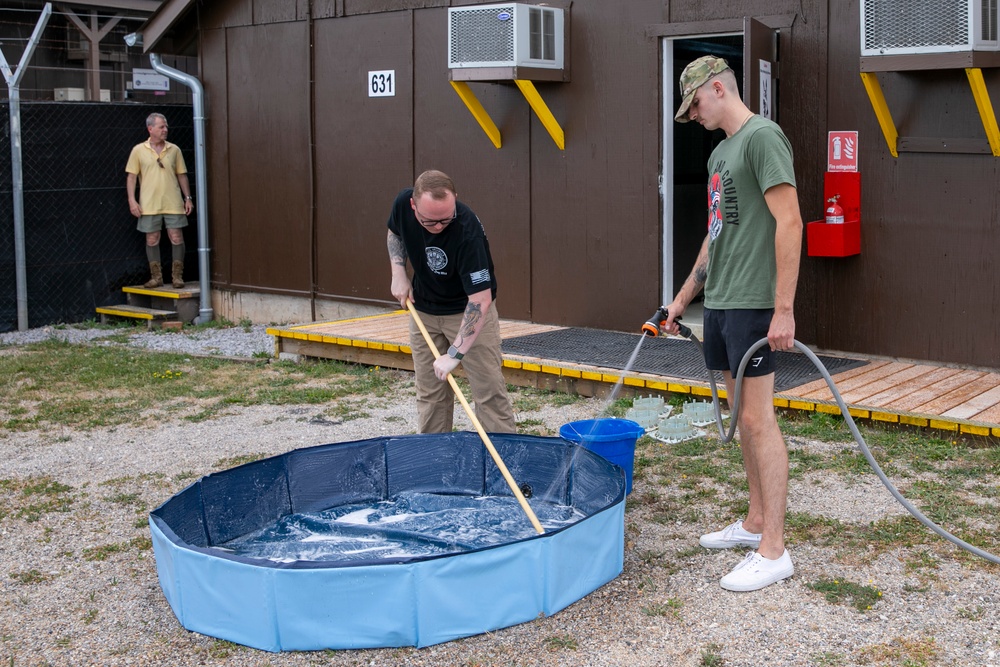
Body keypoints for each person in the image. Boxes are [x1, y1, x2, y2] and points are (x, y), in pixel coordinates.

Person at [663, 55, 803, 592]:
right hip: (719, 302)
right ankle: (755, 523)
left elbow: (790, 222)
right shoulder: (720, 153)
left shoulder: (763, 138)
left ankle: (775, 552)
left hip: (753, 304)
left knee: (758, 419)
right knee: (742, 418)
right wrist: (682, 300)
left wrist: (783, 307)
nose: (692, 115)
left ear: (717, 88)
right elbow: (715, 233)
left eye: (694, 104)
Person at [386, 169, 516, 434]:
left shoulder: (468, 232)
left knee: (488, 392)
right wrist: (398, 272)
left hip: (468, 313)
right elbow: (394, 233)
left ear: (454, 199)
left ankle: (503, 464)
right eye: (429, 222)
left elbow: (480, 299)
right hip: (423, 310)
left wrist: (454, 354)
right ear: (414, 205)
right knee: (430, 395)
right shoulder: (403, 203)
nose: (437, 227)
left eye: (444, 220)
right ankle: (436, 463)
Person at [125, 112, 193, 289]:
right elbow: (131, 177)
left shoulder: (174, 150)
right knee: (152, 239)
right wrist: (132, 201)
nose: (165, 130)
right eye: (161, 126)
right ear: (150, 128)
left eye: (166, 126)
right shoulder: (138, 150)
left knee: (176, 236)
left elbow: (182, 175)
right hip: (149, 203)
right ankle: (157, 277)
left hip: (173, 202)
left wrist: (188, 198)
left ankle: (177, 277)